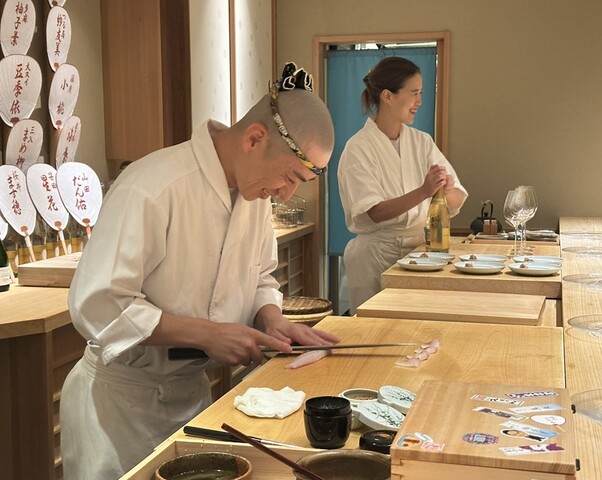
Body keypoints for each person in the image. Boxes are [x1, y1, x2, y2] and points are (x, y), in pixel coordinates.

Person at [60, 63, 338, 479]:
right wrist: (208, 335)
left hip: (191, 395)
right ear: (255, 139)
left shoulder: (254, 195)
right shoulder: (154, 185)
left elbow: (261, 276)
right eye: (289, 177)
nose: (287, 193)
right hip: (119, 406)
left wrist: (272, 319)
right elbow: (101, 304)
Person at [338, 56, 468, 312]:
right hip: (375, 255)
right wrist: (424, 191)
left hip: (419, 252)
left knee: (416, 326)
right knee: (374, 327)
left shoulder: (422, 142)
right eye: (414, 93)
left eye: (421, 94)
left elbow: (455, 201)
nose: (419, 102)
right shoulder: (358, 148)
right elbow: (374, 212)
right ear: (388, 96)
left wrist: (447, 188)